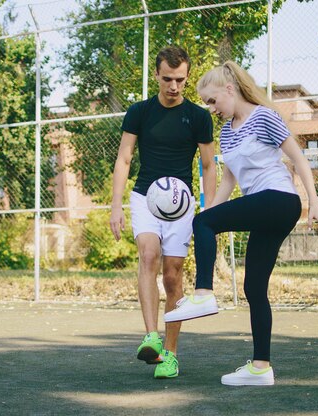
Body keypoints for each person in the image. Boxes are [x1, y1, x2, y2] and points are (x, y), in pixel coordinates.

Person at [164, 61, 318, 386]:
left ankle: (203, 293)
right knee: (254, 288)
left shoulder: (264, 116)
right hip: (266, 208)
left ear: (229, 90)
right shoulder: (227, 133)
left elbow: (297, 157)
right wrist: (205, 219)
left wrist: (315, 203)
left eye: (213, 101)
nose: (211, 109)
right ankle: (261, 367)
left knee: (205, 224)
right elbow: (228, 182)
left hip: (279, 199)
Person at [110, 46, 216, 379]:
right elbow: (124, 158)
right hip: (144, 197)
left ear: (187, 78)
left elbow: (210, 165)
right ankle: (150, 337)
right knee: (148, 254)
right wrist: (116, 204)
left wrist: (210, 209)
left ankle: (170, 355)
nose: (173, 86)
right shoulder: (139, 112)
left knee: (172, 276)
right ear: (156, 75)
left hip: (181, 204)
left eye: (180, 80)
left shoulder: (199, 117)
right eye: (167, 78)